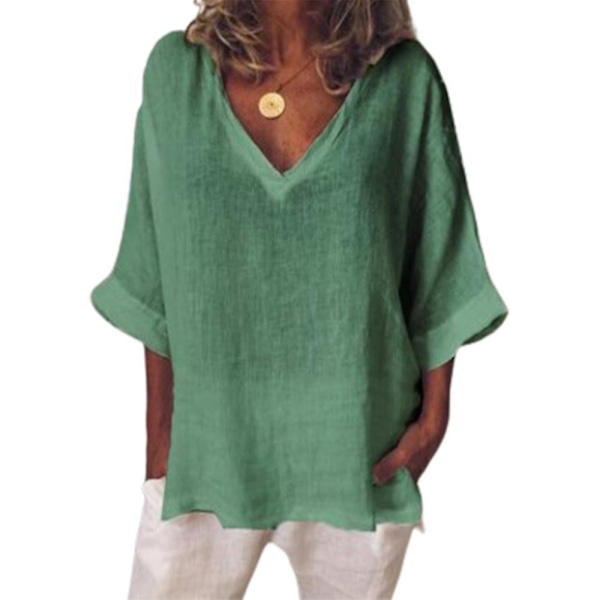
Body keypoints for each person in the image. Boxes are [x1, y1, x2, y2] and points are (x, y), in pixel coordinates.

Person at [90, 0, 509, 598]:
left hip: (359, 451)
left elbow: (439, 260)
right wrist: (159, 444)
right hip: (206, 453)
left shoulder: (404, 80)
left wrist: (433, 422)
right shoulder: (175, 75)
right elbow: (155, 267)